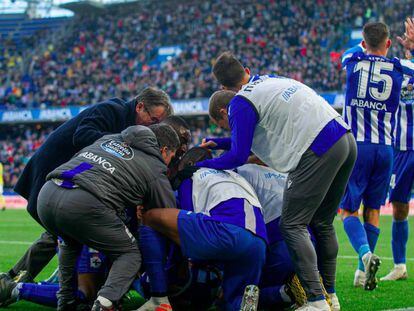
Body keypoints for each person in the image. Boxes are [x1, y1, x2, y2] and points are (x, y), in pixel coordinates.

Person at [198, 52, 356, 311]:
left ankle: (316, 301)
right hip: (345, 139)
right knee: (322, 223)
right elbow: (251, 140)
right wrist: (220, 144)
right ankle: (330, 296)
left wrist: (201, 165)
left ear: (225, 89)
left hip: (318, 147)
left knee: (292, 224)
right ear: (246, 69)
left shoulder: (240, 101)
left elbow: (239, 154)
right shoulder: (270, 81)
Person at [0, 87, 173, 289]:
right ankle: (23, 285)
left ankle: (16, 280)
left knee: (61, 233)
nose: (154, 127)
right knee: (66, 231)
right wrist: (122, 142)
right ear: (140, 106)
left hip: (69, 179)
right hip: (53, 174)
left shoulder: (124, 120)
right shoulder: (111, 110)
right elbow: (82, 135)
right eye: (153, 120)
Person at [37, 124, 179, 311]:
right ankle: (104, 303)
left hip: (48, 195)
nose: (170, 161)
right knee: (130, 254)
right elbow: (167, 212)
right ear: (164, 150)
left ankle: (65, 302)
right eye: (172, 156)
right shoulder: (155, 165)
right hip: (84, 204)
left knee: (69, 242)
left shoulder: (107, 139)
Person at [140, 147, 267, 311]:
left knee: (150, 217)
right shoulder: (236, 175)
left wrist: (173, 267)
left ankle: (158, 298)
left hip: (226, 231)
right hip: (259, 243)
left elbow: (181, 227)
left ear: (189, 163)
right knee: (232, 302)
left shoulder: (191, 174)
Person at [340, 21, 414, 290]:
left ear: (364, 41)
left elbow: (352, 51)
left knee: (347, 210)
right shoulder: (399, 67)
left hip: (357, 147)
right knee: (373, 210)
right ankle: (361, 274)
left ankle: (365, 255)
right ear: (389, 43)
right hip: (386, 150)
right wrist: (412, 48)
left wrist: (364, 45)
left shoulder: (351, 60)